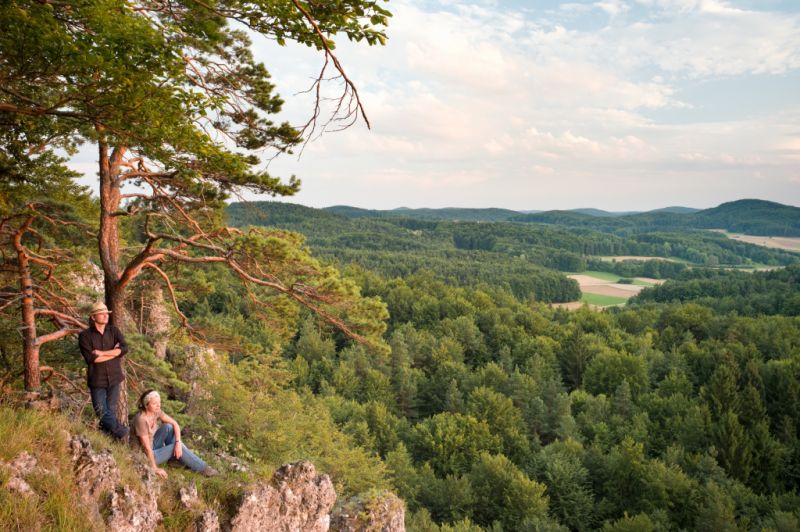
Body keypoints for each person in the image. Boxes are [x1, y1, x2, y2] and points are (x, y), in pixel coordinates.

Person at [133, 389, 218, 478]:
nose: (158, 405)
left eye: (159, 402)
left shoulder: (155, 412)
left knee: (168, 427)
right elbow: (146, 448)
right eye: (155, 403)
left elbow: (175, 424)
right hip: (144, 454)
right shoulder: (141, 420)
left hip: (153, 444)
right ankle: (204, 469)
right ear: (146, 405)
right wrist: (155, 468)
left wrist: (177, 442)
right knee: (177, 446)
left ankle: (175, 459)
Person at [78, 301, 129, 441]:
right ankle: (123, 431)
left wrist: (102, 353)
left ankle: (108, 443)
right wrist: (114, 353)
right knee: (101, 411)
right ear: (93, 317)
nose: (106, 315)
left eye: (106, 313)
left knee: (110, 412)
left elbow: (124, 349)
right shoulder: (85, 336)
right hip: (97, 380)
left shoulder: (114, 331)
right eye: (102, 313)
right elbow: (91, 359)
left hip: (114, 378)